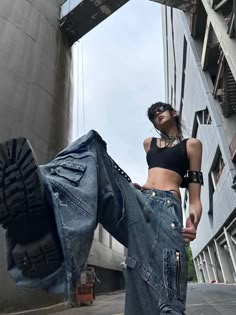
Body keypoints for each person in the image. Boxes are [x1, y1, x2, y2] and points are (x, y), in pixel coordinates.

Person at [0, 102, 203, 314]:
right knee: (92, 145)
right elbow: (153, 177)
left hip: (166, 212)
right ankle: (46, 201)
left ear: (174, 112)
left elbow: (195, 197)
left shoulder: (192, 145)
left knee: (165, 296)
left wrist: (194, 217)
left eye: (160, 110)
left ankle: (49, 221)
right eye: (153, 115)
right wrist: (138, 190)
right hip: (140, 202)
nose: (157, 115)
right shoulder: (149, 143)